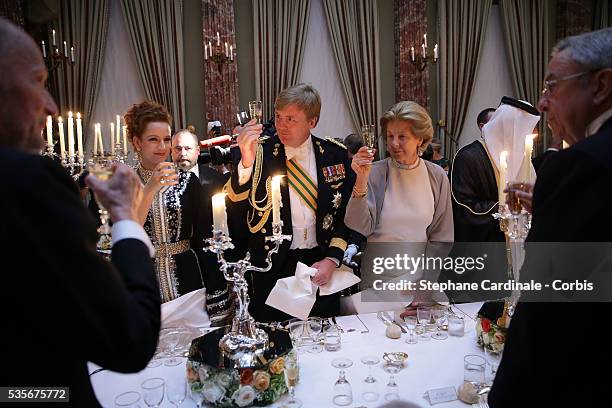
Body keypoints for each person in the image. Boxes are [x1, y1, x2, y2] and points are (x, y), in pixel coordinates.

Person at [0, 17, 160, 407]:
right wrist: (124, 216)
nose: (52, 106)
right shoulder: (26, 182)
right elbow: (130, 339)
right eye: (38, 82)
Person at [489, 27, 612, 408]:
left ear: (601, 84)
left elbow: (549, 304)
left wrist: (507, 395)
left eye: (553, 86)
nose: (542, 103)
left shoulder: (582, 164)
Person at [225, 84, 354, 322]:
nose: (281, 125)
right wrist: (246, 161)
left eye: (291, 119)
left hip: (319, 264)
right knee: (275, 344)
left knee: (323, 338)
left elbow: (346, 215)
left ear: (312, 122)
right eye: (278, 117)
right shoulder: (258, 151)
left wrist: (332, 258)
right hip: (272, 264)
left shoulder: (334, 155)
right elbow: (235, 209)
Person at [126, 101, 231, 326]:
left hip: (187, 280)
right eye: (153, 139)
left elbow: (205, 239)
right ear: (137, 142)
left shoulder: (187, 181)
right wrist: (150, 189)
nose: (162, 147)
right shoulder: (124, 185)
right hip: (144, 283)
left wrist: (216, 294)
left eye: (166, 139)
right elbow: (125, 238)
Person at [345, 101, 454, 314]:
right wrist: (360, 180)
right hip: (378, 281)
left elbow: (441, 237)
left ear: (420, 139)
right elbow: (359, 226)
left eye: (402, 137)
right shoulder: (375, 172)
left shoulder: (437, 176)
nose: (394, 143)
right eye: (390, 136)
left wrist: (426, 283)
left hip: (419, 279)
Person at [450, 100, 538, 243]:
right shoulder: (468, 157)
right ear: (509, 127)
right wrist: (505, 206)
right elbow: (462, 206)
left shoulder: (523, 157)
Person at [171, 127, 228, 193]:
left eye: (188, 148)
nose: (183, 153)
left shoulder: (217, 179)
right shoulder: (163, 181)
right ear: (171, 151)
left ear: (197, 151)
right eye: (178, 149)